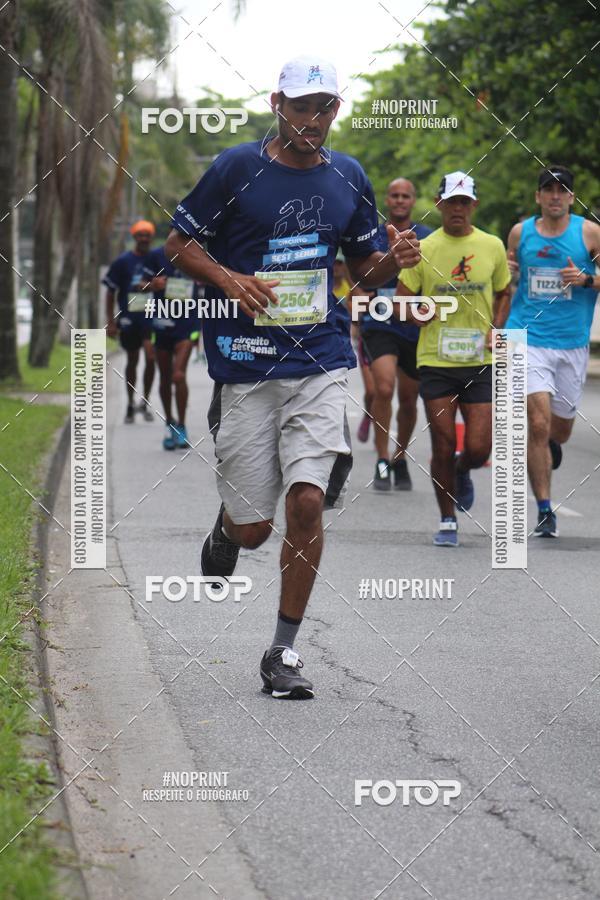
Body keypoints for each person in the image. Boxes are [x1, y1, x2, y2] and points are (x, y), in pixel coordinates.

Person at [165, 55, 420, 699]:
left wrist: (393, 260)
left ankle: (282, 652)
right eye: (302, 105)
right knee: (254, 528)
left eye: (325, 106)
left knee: (308, 499)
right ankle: (228, 531)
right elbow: (178, 243)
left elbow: (364, 275)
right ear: (278, 103)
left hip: (321, 358)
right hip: (245, 365)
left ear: (337, 109)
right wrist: (229, 279)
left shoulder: (348, 175)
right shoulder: (236, 168)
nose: (313, 118)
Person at [396, 171, 511, 547]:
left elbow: (504, 292)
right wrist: (416, 314)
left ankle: (463, 469)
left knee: (480, 448)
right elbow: (400, 300)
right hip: (435, 360)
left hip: (479, 359)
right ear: (439, 204)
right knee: (443, 442)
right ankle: (447, 519)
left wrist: (497, 327)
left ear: (473, 204)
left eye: (464, 201)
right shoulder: (423, 248)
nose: (457, 208)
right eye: (451, 202)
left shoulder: (492, 245)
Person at [506, 166, 600, 538]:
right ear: (538, 197)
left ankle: (550, 448)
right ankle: (545, 509)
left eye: (562, 190)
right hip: (526, 338)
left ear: (572, 198)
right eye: (548, 189)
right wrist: (509, 268)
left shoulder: (590, 233)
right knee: (538, 423)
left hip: (571, 343)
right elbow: (507, 273)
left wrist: (587, 279)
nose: (555, 196)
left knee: (558, 430)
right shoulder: (520, 232)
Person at [360, 179, 432, 490]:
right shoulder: (372, 236)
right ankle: (381, 458)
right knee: (384, 388)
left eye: (406, 195)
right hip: (379, 323)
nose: (400, 200)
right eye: (394, 195)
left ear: (413, 200)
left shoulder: (427, 237)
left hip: (413, 327)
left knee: (408, 398)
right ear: (386, 200)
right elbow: (358, 278)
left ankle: (400, 457)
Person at [144, 246, 199, 450]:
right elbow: (140, 285)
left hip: (187, 323)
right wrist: (152, 285)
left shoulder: (198, 252)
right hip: (162, 324)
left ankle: (182, 426)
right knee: (165, 377)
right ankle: (170, 423)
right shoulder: (156, 255)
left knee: (178, 375)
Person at [104, 221, 157, 423]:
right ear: (134, 237)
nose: (144, 238)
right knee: (132, 360)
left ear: (151, 237)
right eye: (140, 235)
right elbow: (110, 291)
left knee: (151, 358)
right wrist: (110, 321)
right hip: (129, 319)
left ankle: (145, 401)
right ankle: (130, 403)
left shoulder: (157, 260)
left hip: (152, 318)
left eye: (147, 235)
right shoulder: (123, 261)